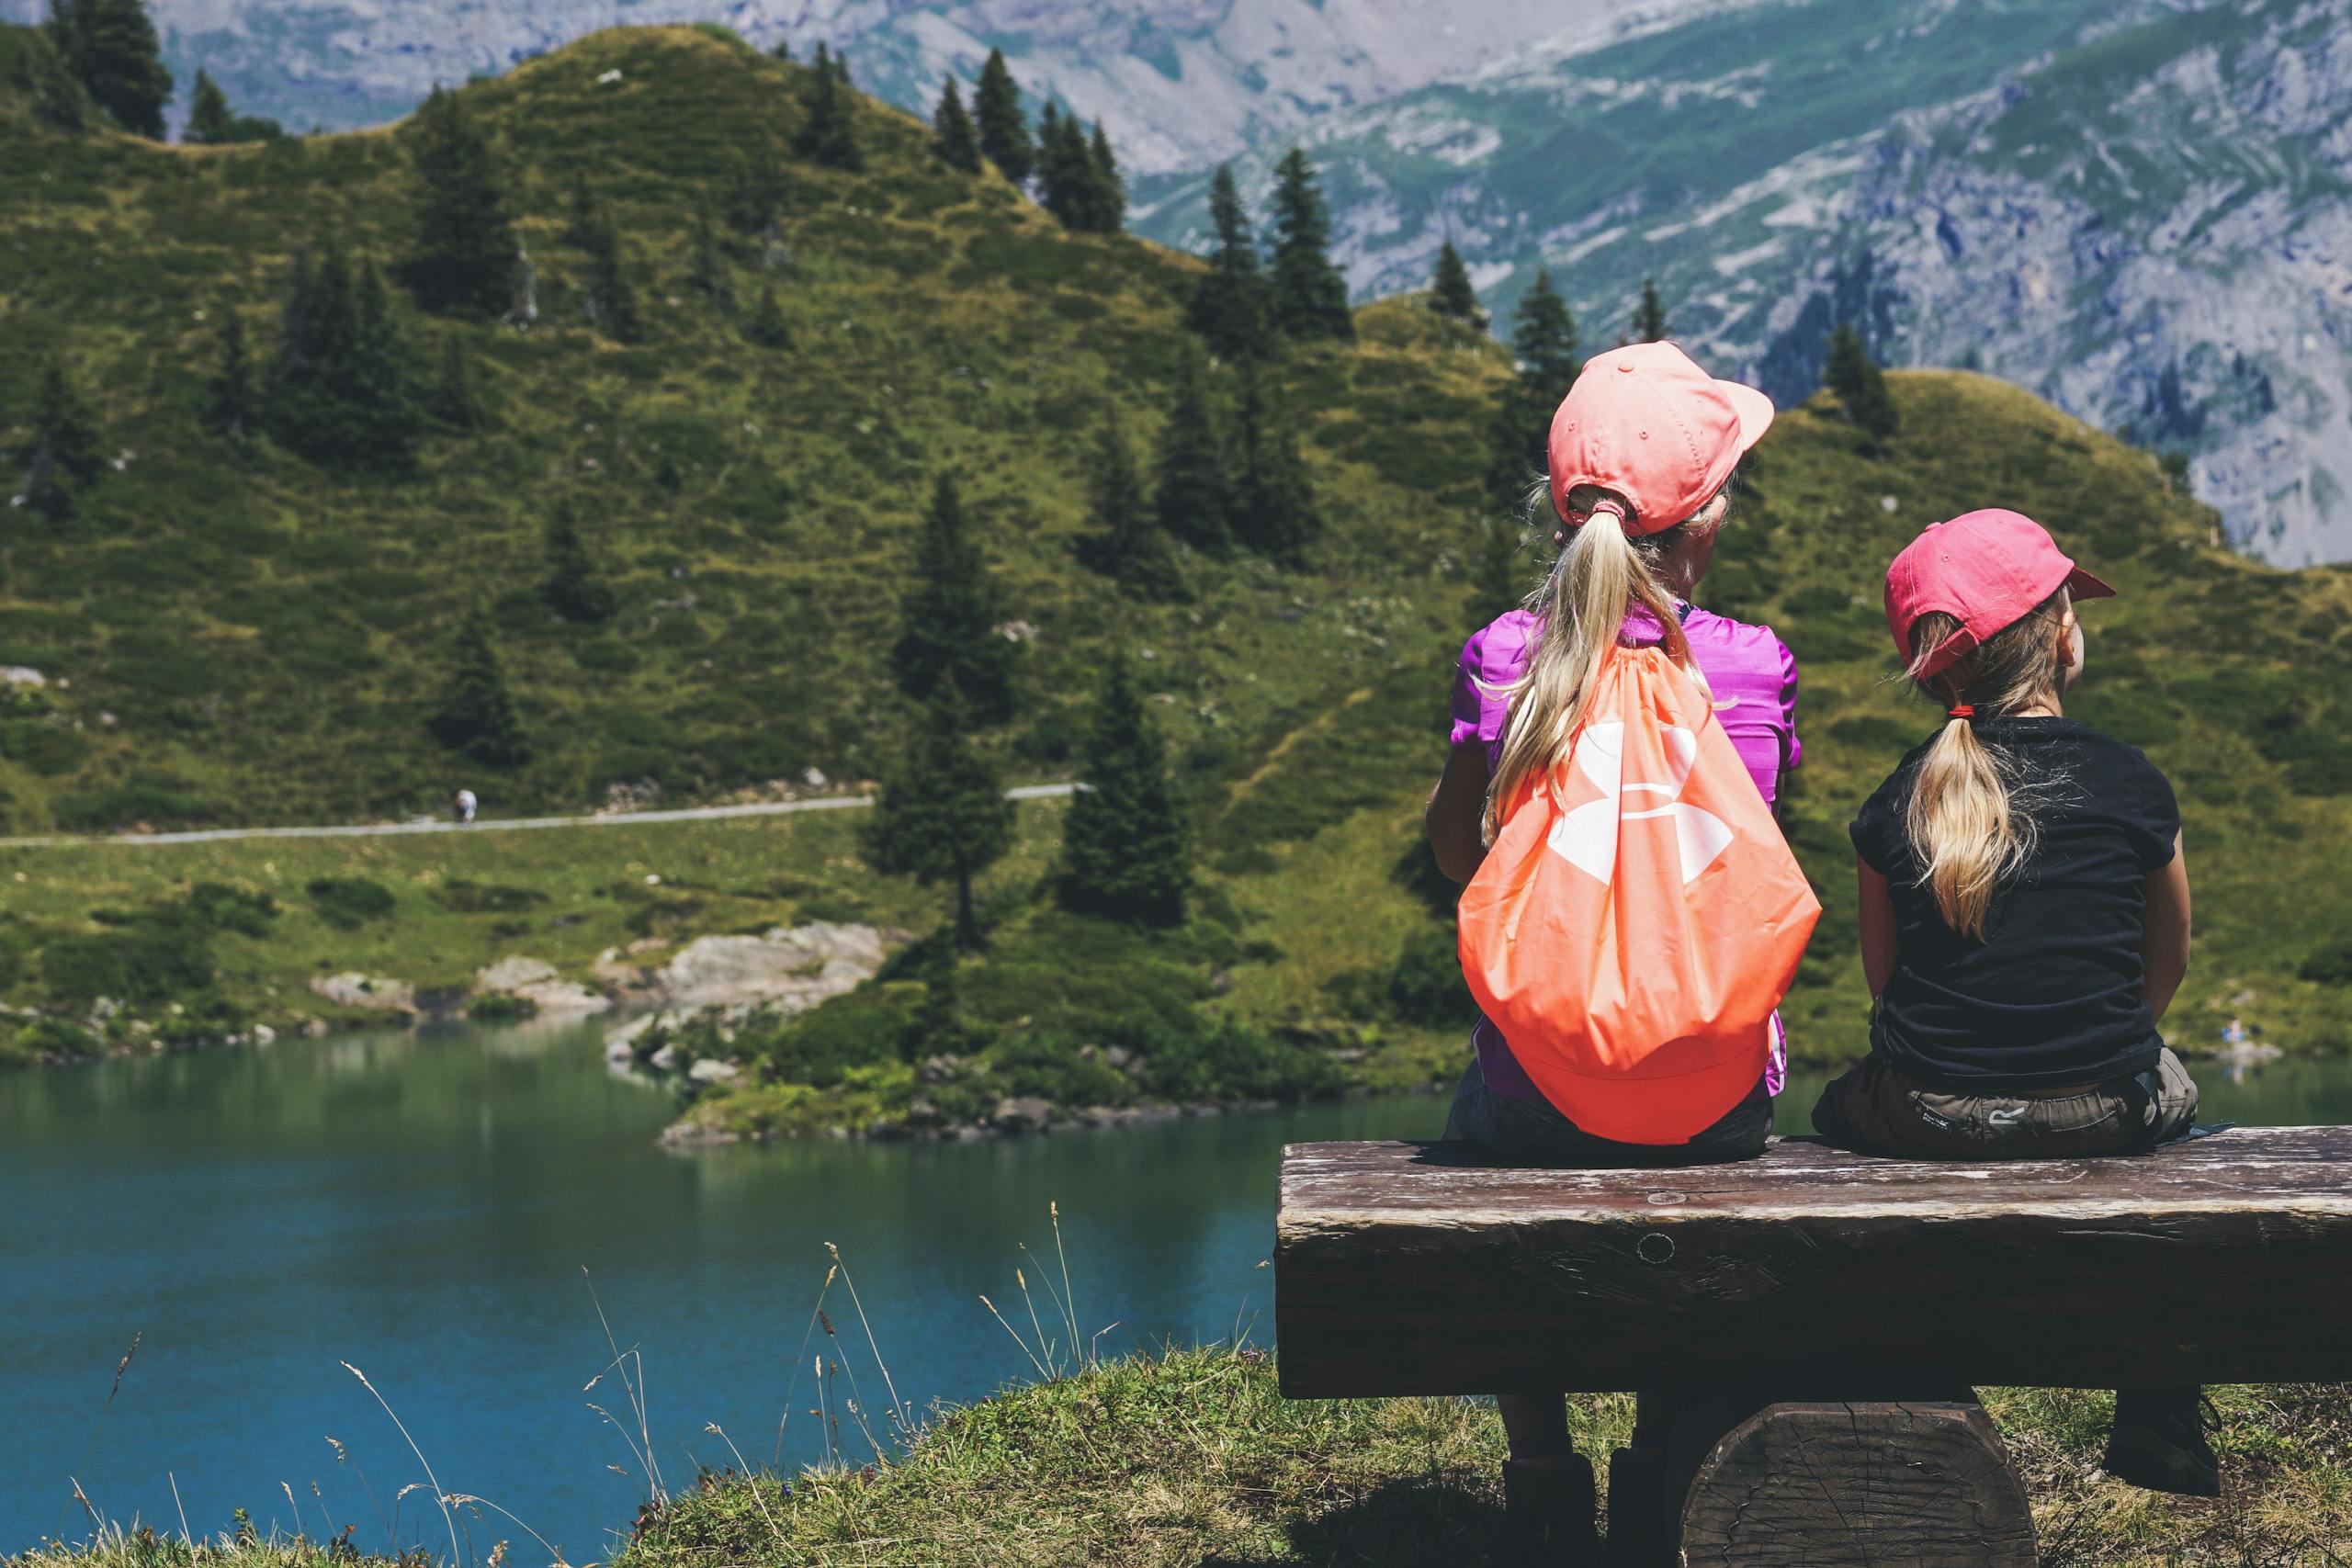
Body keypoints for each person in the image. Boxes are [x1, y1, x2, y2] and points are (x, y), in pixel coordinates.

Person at [1422, 341, 1802, 1551]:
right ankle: (1654, 1457)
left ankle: (1542, 1466)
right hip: (1720, 1099)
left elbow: (1455, 857)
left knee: (1477, 1113)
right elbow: (1738, 861)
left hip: (1536, 1097)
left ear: (1557, 504)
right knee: (1676, 1107)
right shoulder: (1749, 666)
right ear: (1711, 518)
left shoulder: (1500, 658)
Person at [1812, 507, 2212, 1495]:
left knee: (1835, 1106)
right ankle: (2157, 1405)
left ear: (1935, 671)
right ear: (2060, 634)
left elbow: (1885, 987)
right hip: (2103, 1107)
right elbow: (2165, 967)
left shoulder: (1898, 795)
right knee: (2172, 1082)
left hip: (1931, 1111)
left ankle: (1916, 1379)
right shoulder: (2131, 781)